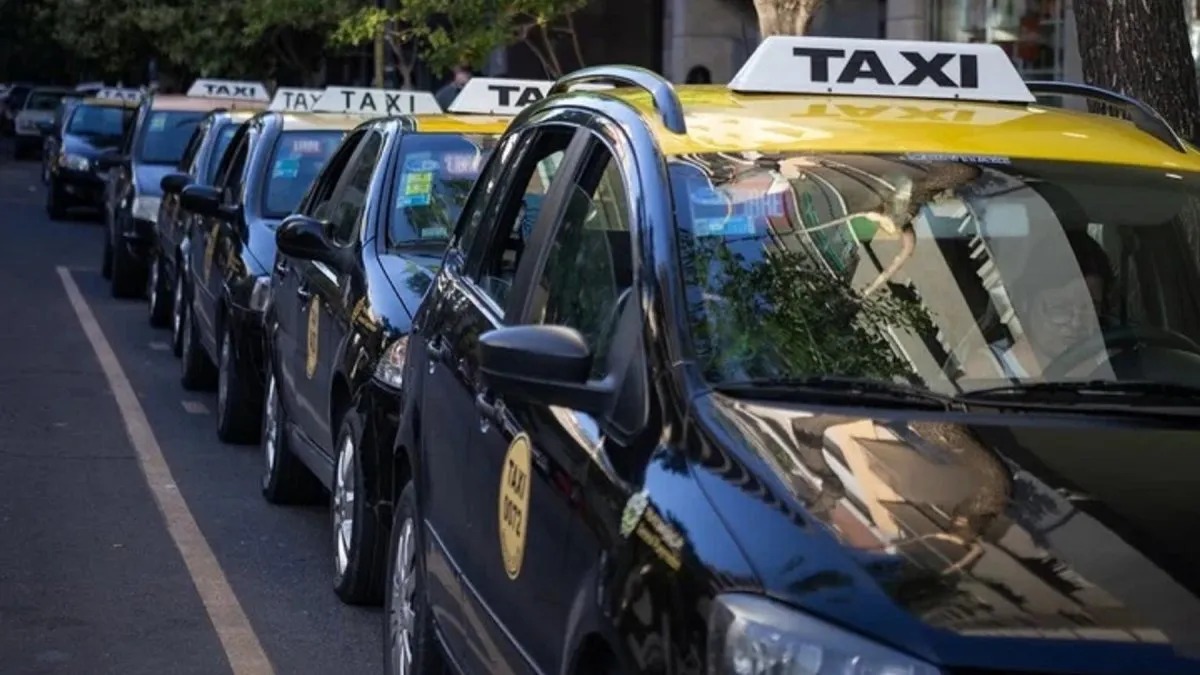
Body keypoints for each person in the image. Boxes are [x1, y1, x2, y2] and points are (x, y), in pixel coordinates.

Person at [990, 230, 1115, 379]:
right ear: (1025, 305)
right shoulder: (990, 373)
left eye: (1090, 308)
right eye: (1059, 309)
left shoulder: (1117, 360)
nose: (1076, 322)